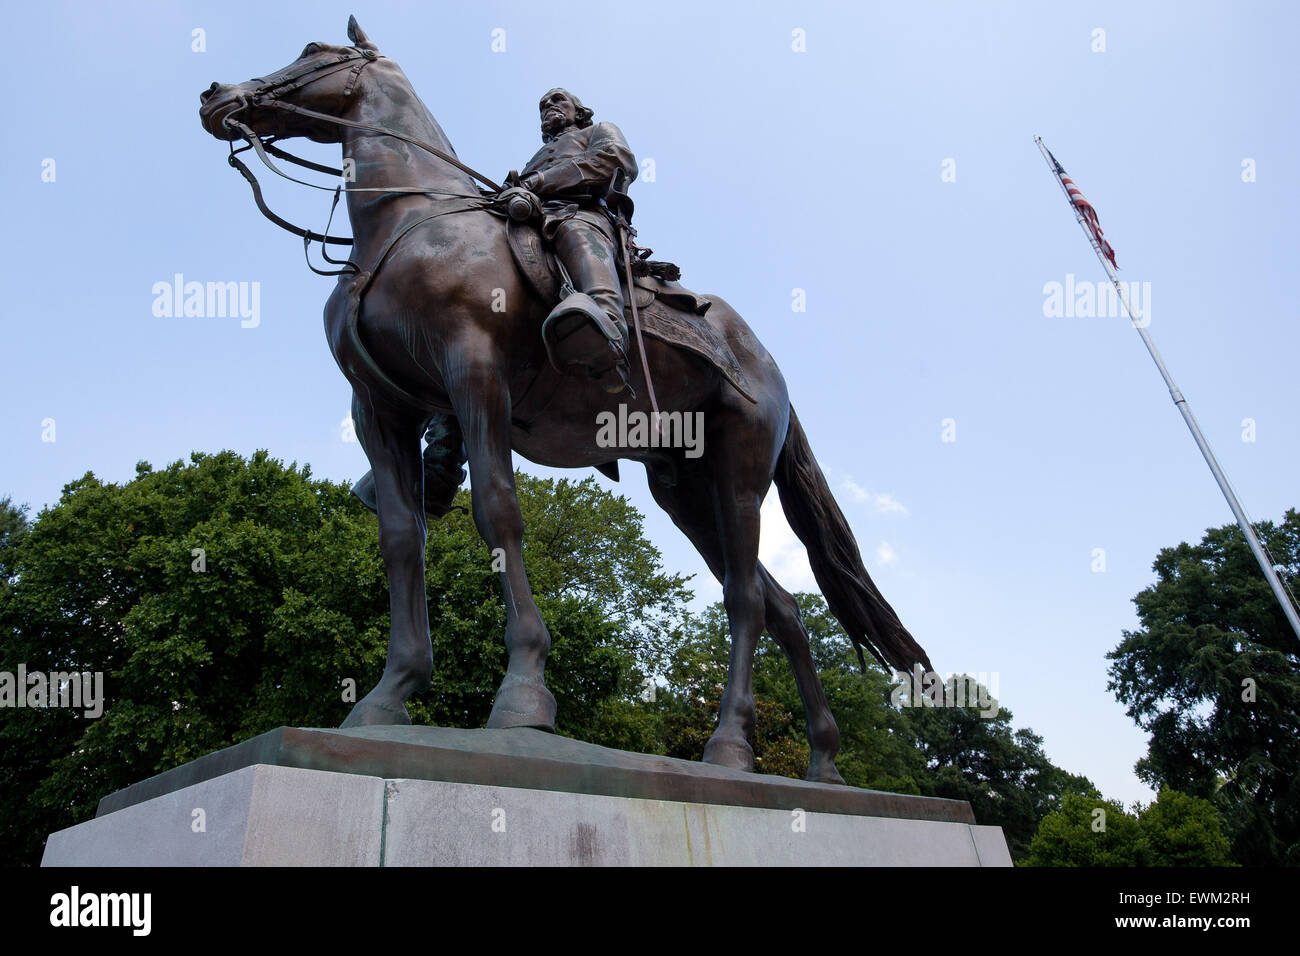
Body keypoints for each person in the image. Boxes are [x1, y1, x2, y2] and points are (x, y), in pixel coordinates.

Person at [503, 88, 638, 393]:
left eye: (557, 99)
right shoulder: (534, 158)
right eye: (542, 105)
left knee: (578, 236)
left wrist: (538, 183)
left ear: (579, 111)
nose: (548, 106)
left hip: (579, 212)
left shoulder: (599, 130)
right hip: (531, 217)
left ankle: (611, 337)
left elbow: (615, 160)